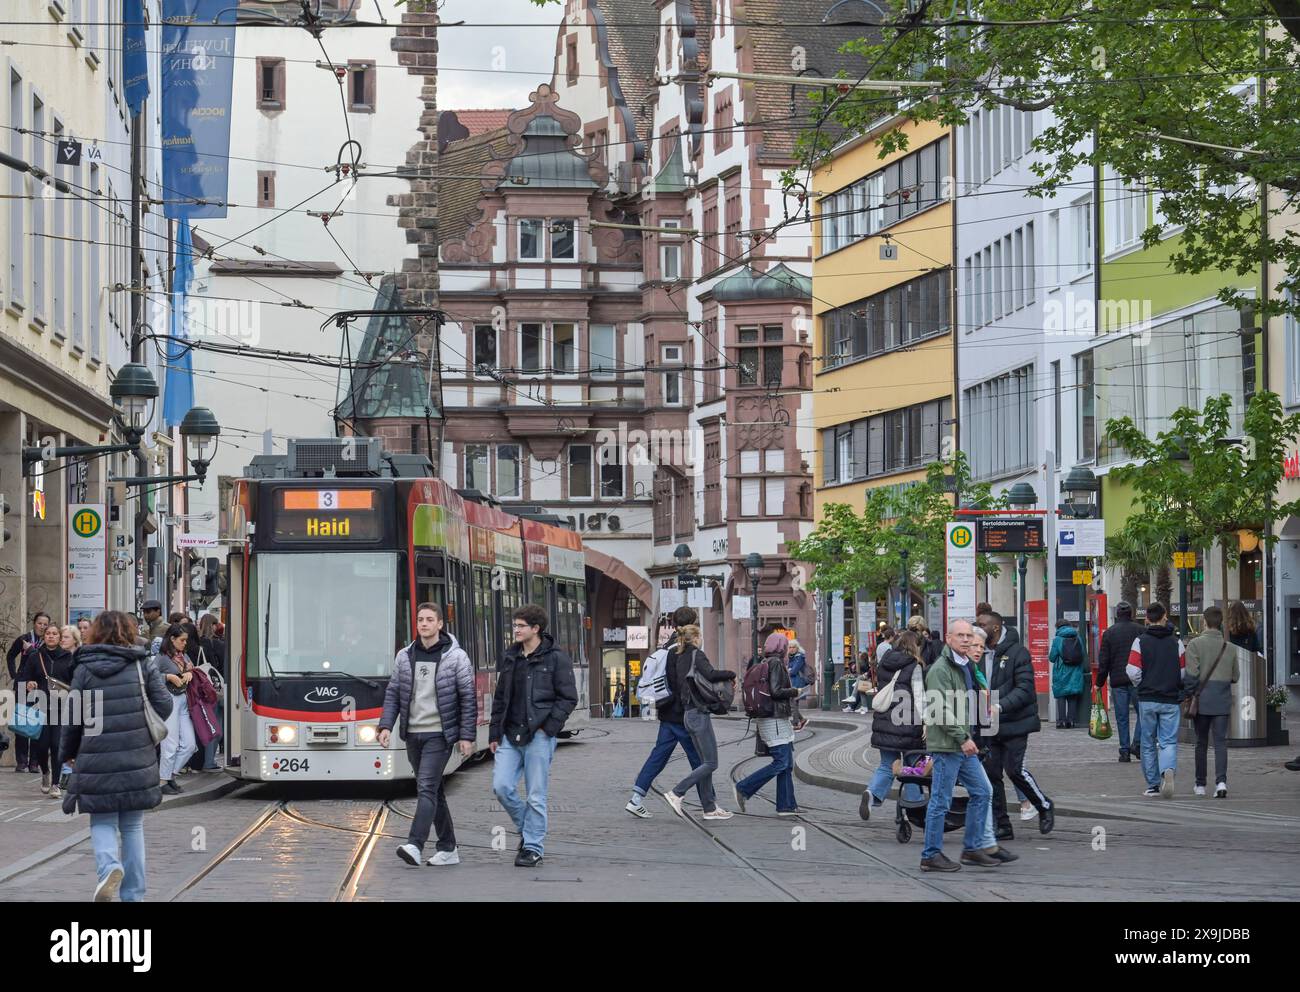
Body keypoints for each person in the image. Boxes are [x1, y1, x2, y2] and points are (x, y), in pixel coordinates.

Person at [60, 610, 172, 902]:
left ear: (95, 633)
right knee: (133, 826)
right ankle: (133, 895)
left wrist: (68, 754)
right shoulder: (142, 664)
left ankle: (109, 868)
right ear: (129, 632)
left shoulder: (83, 669)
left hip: (96, 756)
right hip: (137, 756)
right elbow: (165, 704)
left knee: (102, 821)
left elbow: (72, 718)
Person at [380, 603, 476, 867]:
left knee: (425, 788)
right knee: (434, 790)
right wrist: (385, 726)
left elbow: (468, 698)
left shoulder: (456, 657)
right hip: (413, 734)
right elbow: (393, 692)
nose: (424, 624)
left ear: (440, 624)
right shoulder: (405, 655)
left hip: (439, 735)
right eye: (420, 619)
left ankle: (415, 844)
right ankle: (448, 847)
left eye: (429, 619)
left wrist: (467, 736)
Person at [489, 604, 578, 867]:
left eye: (520, 626)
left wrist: (548, 728)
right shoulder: (510, 657)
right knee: (502, 787)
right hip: (509, 733)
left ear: (535, 629)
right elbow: (500, 698)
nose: (515, 630)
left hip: (538, 735)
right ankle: (528, 829)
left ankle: (533, 847)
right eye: (514, 625)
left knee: (536, 795)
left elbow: (568, 698)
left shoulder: (556, 658)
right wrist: (495, 732)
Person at [919, 619, 996, 872]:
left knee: (983, 791)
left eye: (968, 635)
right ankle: (930, 855)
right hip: (948, 745)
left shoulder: (964, 665)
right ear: (949, 639)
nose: (966, 639)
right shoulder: (941, 669)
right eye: (960, 635)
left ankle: (972, 849)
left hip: (963, 744)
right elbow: (939, 708)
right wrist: (962, 738)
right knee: (940, 801)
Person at [976, 611, 1053, 839]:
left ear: (996, 628)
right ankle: (1002, 825)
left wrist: (1000, 706)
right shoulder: (978, 653)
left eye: (982, 625)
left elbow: (1025, 688)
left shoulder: (1018, 652)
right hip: (988, 724)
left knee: (1014, 770)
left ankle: (1044, 806)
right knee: (991, 775)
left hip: (1014, 722)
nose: (977, 628)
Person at [626, 608, 705, 819]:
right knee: (701, 760)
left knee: (659, 756)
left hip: (666, 711)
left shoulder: (663, 649)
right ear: (694, 624)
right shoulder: (683, 650)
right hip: (682, 714)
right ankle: (709, 805)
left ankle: (636, 798)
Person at [659, 623, 738, 821]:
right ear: (695, 638)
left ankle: (709, 808)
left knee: (704, 763)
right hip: (698, 714)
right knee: (711, 762)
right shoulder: (696, 654)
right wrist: (731, 674)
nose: (701, 639)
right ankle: (677, 792)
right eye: (700, 636)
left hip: (687, 714)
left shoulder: (679, 656)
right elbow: (710, 674)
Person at [733, 632, 801, 815]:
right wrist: (795, 691)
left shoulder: (765, 663)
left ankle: (786, 805)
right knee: (781, 762)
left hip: (772, 718)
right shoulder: (777, 663)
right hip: (775, 720)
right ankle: (744, 787)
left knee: (786, 764)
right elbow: (776, 691)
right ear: (782, 647)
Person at [862, 630, 927, 821]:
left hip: (885, 721)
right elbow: (920, 696)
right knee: (912, 767)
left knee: (886, 765)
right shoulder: (914, 665)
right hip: (907, 721)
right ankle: (914, 806)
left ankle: (872, 794)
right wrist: (926, 722)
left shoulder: (884, 663)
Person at [1127, 602, 1186, 799]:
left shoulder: (1140, 641)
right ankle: (1167, 769)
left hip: (1148, 698)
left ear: (1147, 619)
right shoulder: (1176, 642)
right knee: (1168, 741)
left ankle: (1152, 784)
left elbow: (1133, 670)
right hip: (1170, 698)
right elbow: (1182, 671)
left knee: (1148, 741)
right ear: (1164, 617)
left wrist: (1142, 684)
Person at [1184, 605, 1239, 799]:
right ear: (1221, 623)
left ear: (1205, 622)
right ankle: (1221, 782)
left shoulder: (1195, 644)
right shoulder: (1230, 647)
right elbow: (1235, 676)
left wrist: (1187, 694)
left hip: (1201, 701)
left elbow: (1191, 675)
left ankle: (1200, 784)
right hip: (1222, 700)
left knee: (1201, 742)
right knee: (1220, 743)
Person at [20, 623, 74, 797]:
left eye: (55, 633)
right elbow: (25, 678)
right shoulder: (35, 657)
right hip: (40, 707)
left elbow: (74, 682)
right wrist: (29, 683)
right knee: (42, 747)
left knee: (57, 745)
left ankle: (56, 784)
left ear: (59, 637)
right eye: (48, 634)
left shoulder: (68, 657)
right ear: (44, 637)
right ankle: (45, 772)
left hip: (60, 708)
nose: (51, 636)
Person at [1096, 601, 1146, 762]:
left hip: (1118, 680)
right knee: (1143, 713)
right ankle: (1137, 743)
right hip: (1137, 679)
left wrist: (1099, 682)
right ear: (1131, 614)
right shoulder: (1140, 630)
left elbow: (1104, 661)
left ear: (1117, 614)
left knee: (1122, 717)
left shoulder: (1110, 633)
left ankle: (1124, 750)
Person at [156, 624, 198, 794]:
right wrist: (168, 676)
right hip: (169, 699)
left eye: (186, 640)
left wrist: (190, 673)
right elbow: (148, 676)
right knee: (170, 744)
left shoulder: (183, 656)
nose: (184, 644)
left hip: (183, 699)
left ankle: (168, 776)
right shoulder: (161, 657)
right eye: (182, 640)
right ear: (172, 639)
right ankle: (163, 781)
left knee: (189, 744)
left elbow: (191, 671)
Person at [7, 611, 50, 773]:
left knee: (38, 724)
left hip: (40, 687)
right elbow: (10, 656)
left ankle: (34, 762)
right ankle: (22, 761)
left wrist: (32, 649)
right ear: (34, 623)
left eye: (45, 624)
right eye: (40, 623)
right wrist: (15, 676)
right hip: (23, 685)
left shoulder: (48, 642)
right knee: (22, 722)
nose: (43, 627)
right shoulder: (23, 639)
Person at [1049, 618, 1086, 728]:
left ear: (1058, 627)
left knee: (1061, 695)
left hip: (1061, 671)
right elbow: (1082, 654)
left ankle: (1061, 721)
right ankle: (1071, 721)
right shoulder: (1078, 637)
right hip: (1075, 670)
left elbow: (1052, 657)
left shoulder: (1057, 639)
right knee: (1072, 695)